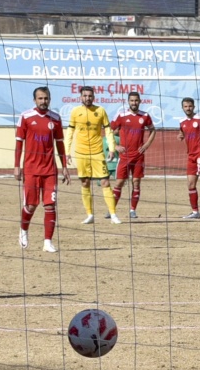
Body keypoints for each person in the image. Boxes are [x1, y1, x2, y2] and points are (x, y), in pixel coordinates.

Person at [14, 86, 68, 253]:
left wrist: (64, 166)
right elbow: (19, 143)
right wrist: (17, 165)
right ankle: (23, 231)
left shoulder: (56, 119)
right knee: (30, 205)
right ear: (34, 100)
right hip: (31, 169)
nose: (43, 101)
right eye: (40, 98)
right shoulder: (26, 117)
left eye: (46, 98)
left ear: (49, 99)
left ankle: (47, 242)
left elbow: (60, 144)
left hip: (50, 170)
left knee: (50, 206)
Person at [68, 85, 117, 225]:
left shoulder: (100, 111)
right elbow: (70, 133)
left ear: (94, 97)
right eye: (85, 96)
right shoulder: (75, 112)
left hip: (97, 153)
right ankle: (89, 215)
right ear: (80, 97)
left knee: (105, 182)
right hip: (81, 153)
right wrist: (67, 152)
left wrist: (112, 148)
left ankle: (113, 214)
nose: (87, 98)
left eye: (90, 96)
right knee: (85, 182)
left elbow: (108, 131)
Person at [110, 91, 156, 220]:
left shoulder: (145, 116)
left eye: (136, 100)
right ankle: (112, 210)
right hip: (124, 156)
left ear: (140, 101)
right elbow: (110, 131)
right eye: (132, 101)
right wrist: (115, 146)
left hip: (138, 156)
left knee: (136, 183)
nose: (134, 103)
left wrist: (146, 145)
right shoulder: (121, 115)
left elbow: (153, 130)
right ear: (128, 102)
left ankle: (132, 210)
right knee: (119, 182)